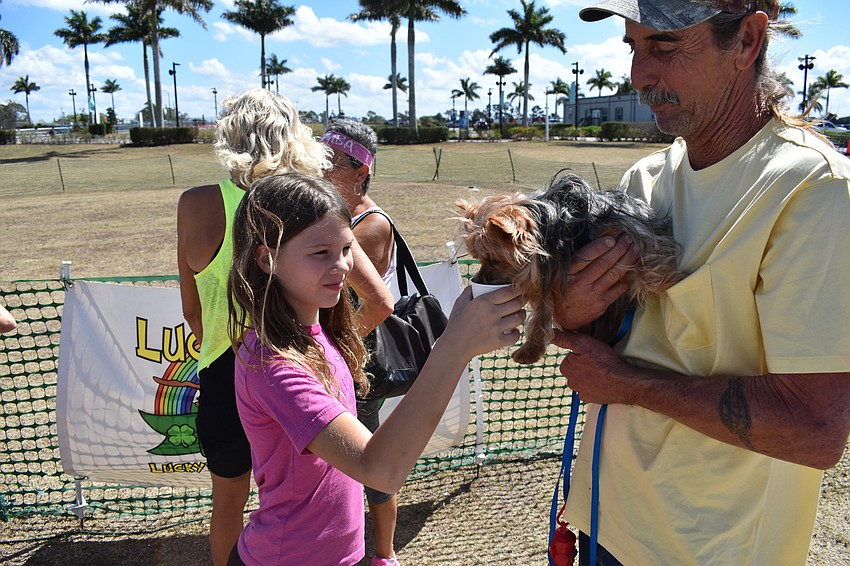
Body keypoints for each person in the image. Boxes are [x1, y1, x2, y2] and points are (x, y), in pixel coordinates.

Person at [549, 1, 850, 564]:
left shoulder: (813, 190)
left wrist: (628, 384)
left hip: (709, 546)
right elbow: (607, 334)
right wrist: (572, 312)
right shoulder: (646, 177)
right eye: (633, 49)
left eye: (664, 48)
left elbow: (814, 429)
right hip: (604, 518)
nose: (639, 75)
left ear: (747, 41)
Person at [225, 172, 525, 566]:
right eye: (320, 253)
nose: (342, 265)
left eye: (347, 248)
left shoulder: (318, 333)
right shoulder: (274, 364)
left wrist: (456, 340)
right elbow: (378, 469)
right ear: (269, 258)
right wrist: (454, 347)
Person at [176, 88, 393, 566]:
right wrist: (325, 349)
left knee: (227, 505)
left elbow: (191, 310)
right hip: (300, 369)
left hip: (220, 370)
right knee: (314, 505)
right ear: (296, 136)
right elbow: (379, 300)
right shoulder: (309, 208)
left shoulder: (195, 204)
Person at [323, 118, 402, 566]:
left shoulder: (369, 226)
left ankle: (385, 553)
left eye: (330, 163)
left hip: (359, 361)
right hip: (341, 355)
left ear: (360, 172)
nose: (320, 169)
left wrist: (337, 352)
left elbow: (371, 306)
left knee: (371, 460)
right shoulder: (337, 214)